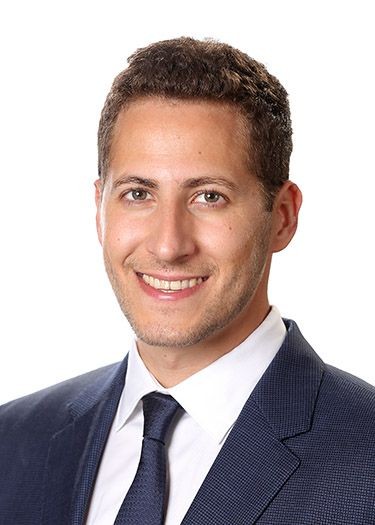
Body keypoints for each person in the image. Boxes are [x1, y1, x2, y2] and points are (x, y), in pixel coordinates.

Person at [1, 37, 374, 525]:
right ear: (99, 209)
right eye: (138, 193)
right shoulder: (14, 442)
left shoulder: (365, 460)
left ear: (282, 217)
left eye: (209, 197)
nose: (168, 245)